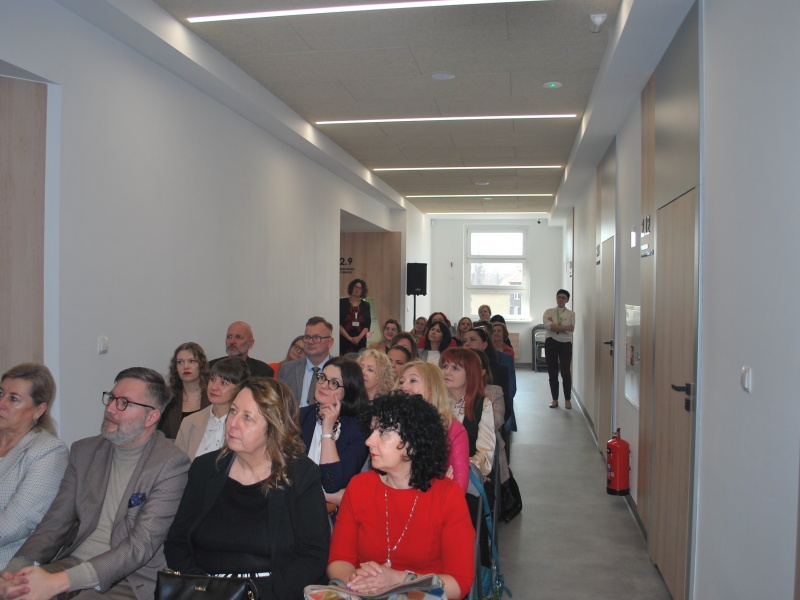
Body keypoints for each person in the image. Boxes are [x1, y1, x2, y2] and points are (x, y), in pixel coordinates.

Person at [1, 367, 190, 600]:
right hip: (74, 563)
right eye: (111, 398)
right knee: (15, 592)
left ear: (151, 417)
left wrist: (59, 582)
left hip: (131, 577)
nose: (110, 408)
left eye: (124, 403)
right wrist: (16, 569)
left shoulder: (171, 464)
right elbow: (54, 523)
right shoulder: (84, 452)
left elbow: (140, 546)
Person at [165, 377, 330, 598]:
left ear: (274, 427)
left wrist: (250, 594)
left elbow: (313, 557)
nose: (233, 423)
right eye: (233, 411)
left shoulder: (301, 475)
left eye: (247, 418)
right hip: (207, 590)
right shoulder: (204, 468)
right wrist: (206, 589)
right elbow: (176, 543)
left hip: (273, 592)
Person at [327, 393, 474, 599]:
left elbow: (459, 583)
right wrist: (359, 581)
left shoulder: (447, 496)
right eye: (372, 430)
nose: (369, 441)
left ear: (412, 444)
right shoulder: (359, 487)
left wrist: (399, 580)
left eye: (383, 432)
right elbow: (338, 561)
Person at [0, 364, 68, 570]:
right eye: (1, 394)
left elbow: (15, 524)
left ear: (38, 410)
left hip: (10, 565)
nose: (1, 403)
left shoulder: (48, 451)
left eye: (13, 399)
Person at [299, 357, 368, 504]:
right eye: (322, 377)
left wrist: (327, 431)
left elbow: (332, 484)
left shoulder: (358, 429)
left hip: (331, 513)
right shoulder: (299, 417)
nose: (323, 385)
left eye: (334, 383)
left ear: (348, 391)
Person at [396, 361, 469, 494]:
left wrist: (439, 492)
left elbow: (458, 488)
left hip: (435, 502)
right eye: (401, 382)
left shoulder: (453, 429)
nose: (404, 387)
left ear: (432, 387)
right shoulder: (391, 423)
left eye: (413, 380)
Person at [175, 358, 250, 460]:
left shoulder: (246, 425)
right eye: (212, 379)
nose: (214, 387)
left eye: (223, 383)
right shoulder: (189, 422)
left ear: (240, 388)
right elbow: (177, 464)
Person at [440, 348, 495, 479]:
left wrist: (460, 467)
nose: (447, 372)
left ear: (470, 374)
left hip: (466, 474)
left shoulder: (482, 404)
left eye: (455, 368)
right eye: (445, 366)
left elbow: (484, 453)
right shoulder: (432, 400)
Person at [279, 316, 335, 410]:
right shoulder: (287, 369)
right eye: (307, 337)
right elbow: (279, 404)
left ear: (330, 342)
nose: (310, 342)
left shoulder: (341, 369)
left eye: (316, 337)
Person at [159, 342, 211, 439]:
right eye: (180, 362)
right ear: (175, 367)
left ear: (201, 365)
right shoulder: (168, 397)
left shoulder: (214, 395)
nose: (186, 366)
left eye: (192, 361)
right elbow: (161, 435)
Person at [544, 289, 575, 409]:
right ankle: (555, 399)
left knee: (565, 372)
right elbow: (548, 326)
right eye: (559, 297)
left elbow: (571, 329)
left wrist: (555, 326)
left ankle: (567, 399)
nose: (561, 299)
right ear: (556, 298)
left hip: (565, 344)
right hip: (551, 343)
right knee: (552, 372)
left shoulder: (571, 314)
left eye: (563, 297)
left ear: (567, 300)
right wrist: (564, 327)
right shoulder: (549, 311)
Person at [209, 321, 274, 378]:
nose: (232, 341)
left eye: (238, 337)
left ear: (250, 343)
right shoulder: (211, 367)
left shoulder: (263, 372)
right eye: (229, 336)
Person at [339, 279, 371, 355]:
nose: (357, 289)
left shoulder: (366, 305)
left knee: (360, 360)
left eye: (360, 288)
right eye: (355, 287)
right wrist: (349, 338)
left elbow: (367, 325)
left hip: (360, 341)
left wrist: (358, 338)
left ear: (362, 291)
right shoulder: (341, 303)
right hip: (344, 340)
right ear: (351, 288)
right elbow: (338, 323)